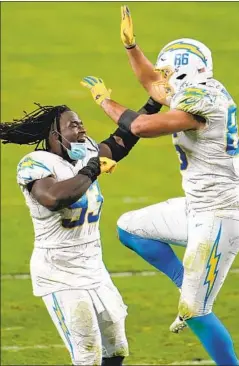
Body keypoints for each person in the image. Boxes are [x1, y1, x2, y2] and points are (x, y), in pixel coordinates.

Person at [79, 5, 239, 365]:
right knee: (130, 229)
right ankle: (188, 282)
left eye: (168, 69)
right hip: (198, 207)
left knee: (194, 311)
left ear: (184, 70)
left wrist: (104, 102)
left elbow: (143, 127)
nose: (162, 76)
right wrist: (132, 48)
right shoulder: (199, 87)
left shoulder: (202, 98)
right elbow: (153, 84)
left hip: (219, 216)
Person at [0, 96, 161, 365]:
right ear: (55, 134)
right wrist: (92, 169)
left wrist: (153, 105)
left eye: (82, 124)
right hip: (59, 270)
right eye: (73, 125)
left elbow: (121, 140)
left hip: (93, 267)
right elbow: (53, 198)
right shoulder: (36, 163)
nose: (82, 130)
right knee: (88, 355)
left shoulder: (86, 152)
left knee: (117, 349)